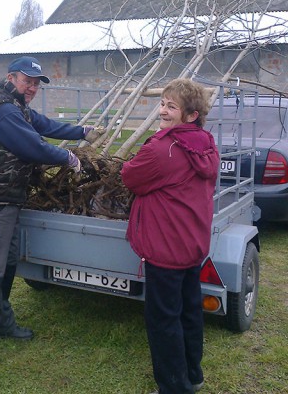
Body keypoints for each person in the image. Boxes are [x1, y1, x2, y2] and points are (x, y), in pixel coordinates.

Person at [0, 56, 104, 369]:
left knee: (5, 265)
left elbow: (43, 124)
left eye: (35, 83)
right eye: (27, 81)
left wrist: (80, 131)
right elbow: (33, 145)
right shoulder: (3, 111)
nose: (31, 87)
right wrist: (68, 158)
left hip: (5, 199)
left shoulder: (16, 105)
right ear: (11, 78)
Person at [120, 79, 220, 394]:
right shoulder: (207, 143)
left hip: (165, 250)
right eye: (162, 103)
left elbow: (131, 177)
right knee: (189, 311)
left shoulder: (164, 149)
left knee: (164, 321)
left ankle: (174, 387)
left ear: (191, 115)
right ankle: (193, 373)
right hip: (192, 246)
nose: (162, 111)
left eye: (171, 106)